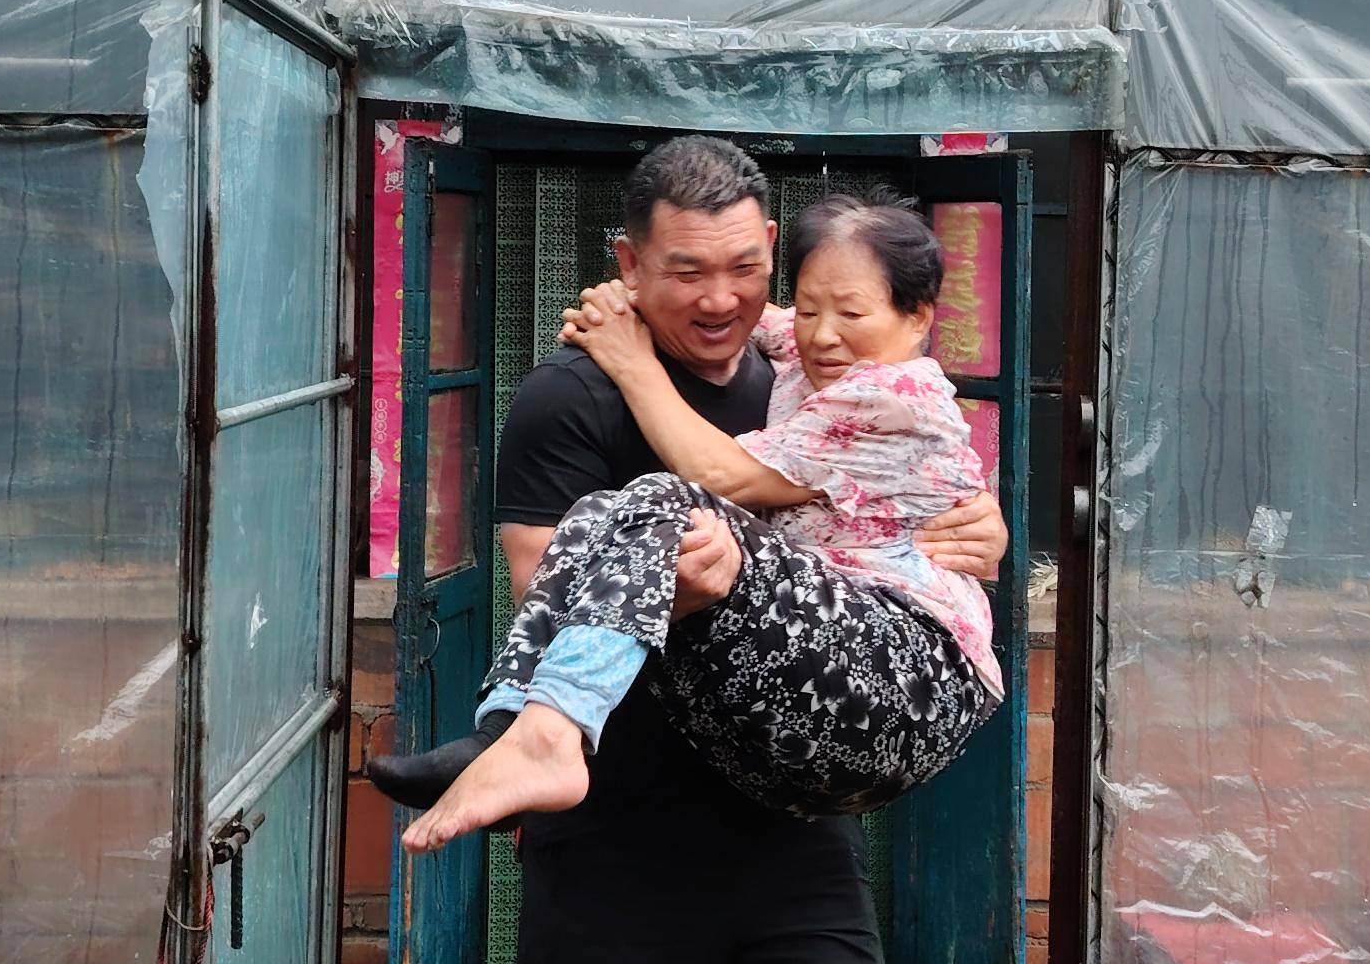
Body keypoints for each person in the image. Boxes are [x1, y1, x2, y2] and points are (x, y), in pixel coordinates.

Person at [386, 136, 1003, 964]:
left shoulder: (818, 364)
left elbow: (920, 461)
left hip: (782, 811)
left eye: (743, 268)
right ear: (626, 265)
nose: (724, 299)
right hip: (629, 809)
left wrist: (979, 525)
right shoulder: (566, 397)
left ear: (769, 254)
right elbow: (553, 586)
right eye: (683, 272)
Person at [377, 184, 1002, 847]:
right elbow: (745, 315)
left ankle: (546, 740)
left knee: (667, 500)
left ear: (918, 317)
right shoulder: (816, 352)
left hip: (907, 680)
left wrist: (630, 359)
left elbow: (721, 475)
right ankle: (505, 732)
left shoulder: (891, 394)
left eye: (850, 312)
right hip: (787, 739)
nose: (823, 333)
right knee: (601, 513)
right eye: (810, 308)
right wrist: (629, 296)